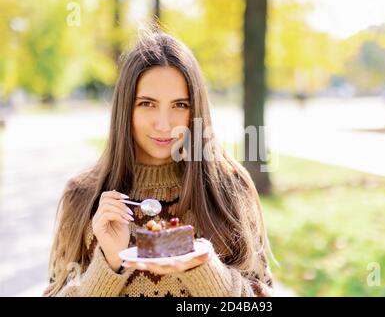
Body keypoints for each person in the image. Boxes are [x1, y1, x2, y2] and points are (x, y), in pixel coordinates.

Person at [43, 27, 275, 297]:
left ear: (196, 109)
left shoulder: (229, 188)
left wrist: (205, 270)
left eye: (180, 105)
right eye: (147, 104)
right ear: (125, 108)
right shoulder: (82, 196)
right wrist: (109, 262)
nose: (164, 124)